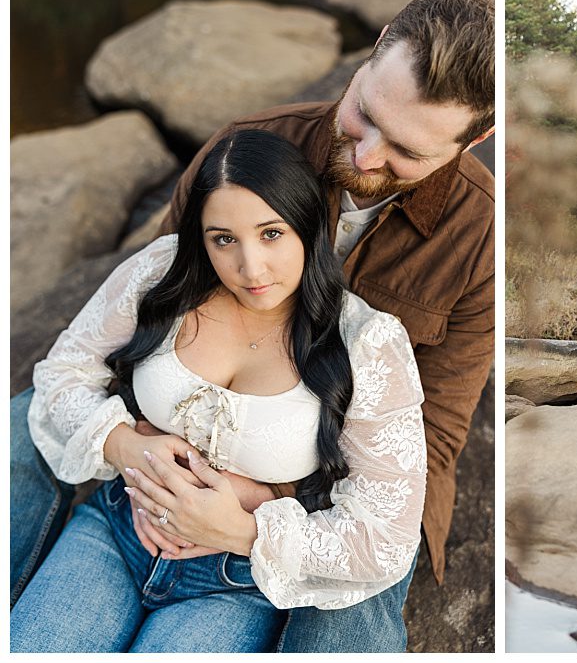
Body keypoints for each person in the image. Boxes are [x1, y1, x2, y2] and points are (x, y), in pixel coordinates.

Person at [11, 0, 494, 652]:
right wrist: (155, 463)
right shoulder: (252, 145)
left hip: (330, 480)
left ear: (479, 137)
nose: (366, 155)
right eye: (364, 112)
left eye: (406, 152)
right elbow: (158, 306)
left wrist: (258, 499)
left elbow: (431, 438)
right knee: (24, 419)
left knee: (352, 607)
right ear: (375, 46)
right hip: (171, 461)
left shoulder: (482, 237)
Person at [10, 130, 426, 652]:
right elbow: (64, 370)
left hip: (234, 582)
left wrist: (245, 532)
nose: (251, 269)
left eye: (271, 234)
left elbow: (384, 537)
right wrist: (127, 445)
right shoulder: (164, 274)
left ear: (307, 225)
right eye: (223, 239)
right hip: (117, 530)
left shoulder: (367, 344)